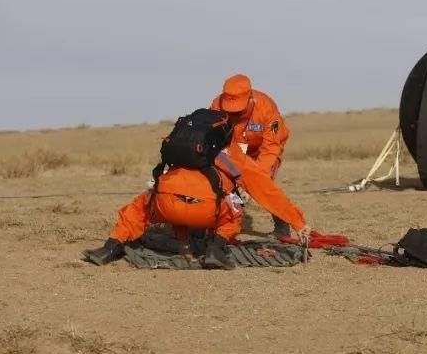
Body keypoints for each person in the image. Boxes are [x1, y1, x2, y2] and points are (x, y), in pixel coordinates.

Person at [84, 110, 310, 270]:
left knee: (137, 208)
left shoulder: (183, 146)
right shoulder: (231, 154)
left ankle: (109, 248)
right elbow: (266, 191)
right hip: (207, 210)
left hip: (165, 204)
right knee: (235, 211)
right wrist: (298, 223)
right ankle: (216, 249)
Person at [209, 74, 293, 237]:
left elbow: (272, 145)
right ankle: (219, 223)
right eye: (230, 111)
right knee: (223, 183)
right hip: (233, 151)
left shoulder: (268, 109)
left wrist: (255, 178)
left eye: (238, 110)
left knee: (264, 187)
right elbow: (213, 138)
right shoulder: (216, 106)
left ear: (250, 99)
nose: (234, 115)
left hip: (263, 150)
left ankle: (282, 227)